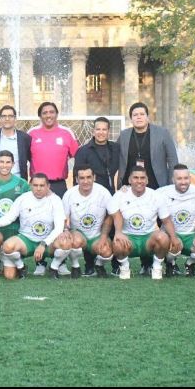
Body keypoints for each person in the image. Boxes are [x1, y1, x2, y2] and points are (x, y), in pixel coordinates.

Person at [117, 102, 178, 276]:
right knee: (139, 225)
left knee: (162, 224)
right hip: (132, 187)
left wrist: (171, 185)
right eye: (135, 115)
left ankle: (169, 262)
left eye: (141, 114)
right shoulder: (124, 135)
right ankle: (145, 263)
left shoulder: (162, 133)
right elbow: (118, 160)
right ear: (131, 118)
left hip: (158, 185)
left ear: (147, 116)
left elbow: (173, 159)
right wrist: (120, 184)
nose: (138, 117)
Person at [28, 101, 78, 275]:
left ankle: (61, 260)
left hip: (58, 184)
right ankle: (40, 263)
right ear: (40, 116)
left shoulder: (66, 133)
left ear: (57, 114)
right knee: (38, 220)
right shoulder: (32, 134)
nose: (48, 115)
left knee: (61, 223)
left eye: (51, 112)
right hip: (37, 186)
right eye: (44, 112)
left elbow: (78, 156)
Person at [0, 173, 71, 279]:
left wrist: (43, 244)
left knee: (66, 242)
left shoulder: (55, 200)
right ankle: (21, 267)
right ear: (30, 185)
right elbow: (9, 218)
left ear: (48, 186)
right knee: (8, 247)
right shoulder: (22, 198)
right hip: (27, 241)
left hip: (48, 242)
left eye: (42, 185)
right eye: (35, 185)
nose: (38, 188)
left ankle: (54, 267)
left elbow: (59, 227)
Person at [107, 167, 176, 280]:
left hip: (148, 239)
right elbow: (116, 216)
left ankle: (157, 267)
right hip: (129, 240)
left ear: (147, 180)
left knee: (163, 237)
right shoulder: (120, 195)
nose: (139, 181)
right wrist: (118, 232)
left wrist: (173, 238)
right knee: (118, 241)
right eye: (135, 178)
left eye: (142, 178)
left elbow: (166, 220)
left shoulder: (156, 196)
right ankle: (125, 267)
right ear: (129, 180)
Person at [73, 116, 120, 274]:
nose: (101, 132)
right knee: (90, 227)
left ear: (109, 131)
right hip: (90, 195)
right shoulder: (83, 151)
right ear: (93, 131)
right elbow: (77, 176)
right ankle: (90, 264)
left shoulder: (116, 148)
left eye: (104, 129)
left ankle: (116, 264)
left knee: (112, 227)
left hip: (111, 193)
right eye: (98, 129)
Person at [156, 164, 195, 277]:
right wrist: (126, 190)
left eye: (186, 178)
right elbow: (144, 196)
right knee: (171, 246)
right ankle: (170, 263)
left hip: (190, 235)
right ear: (173, 179)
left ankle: (189, 264)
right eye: (179, 178)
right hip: (170, 234)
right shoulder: (161, 192)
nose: (183, 182)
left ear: (190, 178)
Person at [62, 165, 114, 278]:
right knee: (75, 241)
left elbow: (111, 215)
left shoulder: (103, 193)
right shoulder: (69, 194)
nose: (85, 181)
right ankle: (75, 266)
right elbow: (65, 217)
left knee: (106, 252)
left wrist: (104, 236)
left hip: (97, 235)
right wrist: (66, 230)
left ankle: (99, 265)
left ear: (94, 177)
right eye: (82, 178)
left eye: (88, 177)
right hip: (78, 234)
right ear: (76, 179)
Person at [0, 105, 32, 180]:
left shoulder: (24, 138)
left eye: (10, 116)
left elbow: (32, 160)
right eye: (4, 116)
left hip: (18, 183)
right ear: (0, 119)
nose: (7, 119)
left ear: (15, 119)